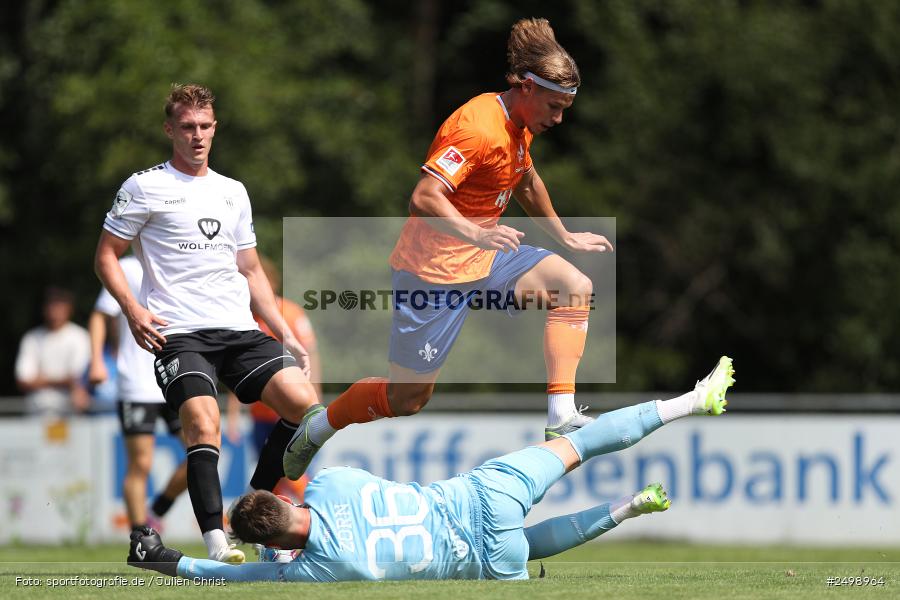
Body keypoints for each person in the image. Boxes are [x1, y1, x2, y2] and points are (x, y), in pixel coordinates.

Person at [284, 17, 613, 481]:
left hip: (486, 259)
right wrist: (477, 233)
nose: (558, 118)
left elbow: (526, 179)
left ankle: (560, 414)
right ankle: (319, 426)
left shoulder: (521, 126)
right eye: (553, 106)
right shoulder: (476, 127)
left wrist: (564, 236)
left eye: (565, 108)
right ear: (525, 87)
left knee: (573, 286)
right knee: (407, 399)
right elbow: (424, 196)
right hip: (432, 272)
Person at [128, 357, 733, 582]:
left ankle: (626, 510)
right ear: (289, 502)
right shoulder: (337, 483)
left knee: (533, 549)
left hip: (479, 554)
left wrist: (167, 561)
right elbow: (295, 504)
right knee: (585, 441)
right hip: (477, 492)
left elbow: (234, 581)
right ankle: (690, 401)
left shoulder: (321, 572)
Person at [94, 84, 319, 564]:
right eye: (188, 126)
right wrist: (133, 310)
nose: (197, 135)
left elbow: (252, 269)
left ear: (215, 128)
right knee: (204, 422)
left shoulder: (232, 191)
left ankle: (253, 509)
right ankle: (217, 542)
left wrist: (284, 330)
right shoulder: (143, 186)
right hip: (179, 333)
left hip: (238, 328)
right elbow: (105, 257)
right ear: (170, 129)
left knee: (305, 406)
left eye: (205, 126)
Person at [89, 254, 189, 535]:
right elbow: (101, 314)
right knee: (141, 463)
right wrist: (96, 359)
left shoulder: (179, 261)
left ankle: (157, 510)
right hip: (137, 382)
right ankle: (140, 538)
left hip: (176, 375)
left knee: (202, 454)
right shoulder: (128, 268)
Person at [227, 254, 322, 502]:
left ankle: (314, 512)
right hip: (261, 413)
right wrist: (234, 414)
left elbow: (311, 354)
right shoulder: (246, 319)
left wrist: (315, 395)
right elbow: (238, 369)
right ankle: (275, 531)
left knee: (293, 470)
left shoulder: (290, 312)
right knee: (269, 473)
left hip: (292, 409)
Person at [15, 287, 91, 416]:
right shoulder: (31, 338)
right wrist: (63, 381)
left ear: (69, 309)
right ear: (44, 309)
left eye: (60, 307)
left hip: (70, 413)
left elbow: (78, 378)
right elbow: (23, 380)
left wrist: (41, 379)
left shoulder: (80, 337)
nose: (55, 312)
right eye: (52, 306)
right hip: (36, 412)